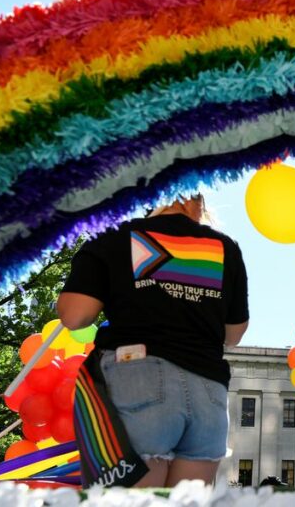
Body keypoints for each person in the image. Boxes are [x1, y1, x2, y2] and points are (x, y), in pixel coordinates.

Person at [58, 194, 249, 488]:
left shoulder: (114, 236)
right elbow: (233, 335)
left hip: (138, 379)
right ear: (194, 201)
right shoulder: (226, 248)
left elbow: (75, 315)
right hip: (208, 393)